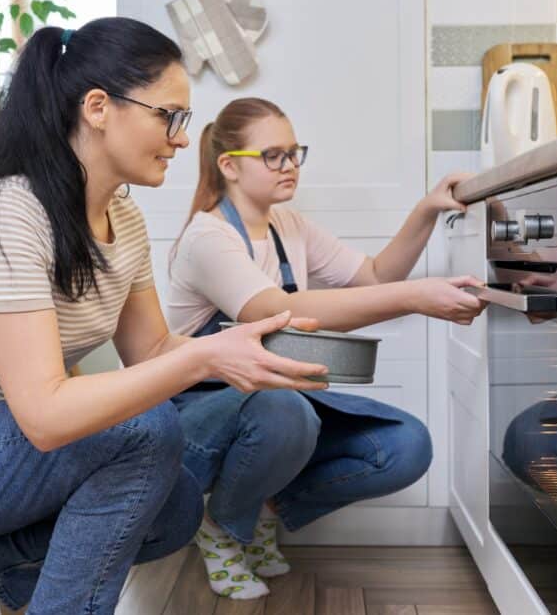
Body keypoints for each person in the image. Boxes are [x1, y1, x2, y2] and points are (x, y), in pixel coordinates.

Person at [0, 20, 329, 615]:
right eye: (169, 116)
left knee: (174, 509)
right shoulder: (12, 209)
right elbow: (47, 416)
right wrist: (204, 357)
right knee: (147, 429)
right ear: (99, 107)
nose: (182, 139)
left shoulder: (123, 220)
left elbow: (151, 350)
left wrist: (239, 351)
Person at [166, 97, 486, 599]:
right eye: (273, 155)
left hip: (276, 397)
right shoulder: (209, 237)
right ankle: (222, 528)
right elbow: (275, 309)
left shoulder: (288, 226)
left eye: (294, 152)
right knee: (285, 408)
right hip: (198, 412)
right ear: (229, 166)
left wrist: (426, 208)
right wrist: (414, 300)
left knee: (405, 446)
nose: (290, 165)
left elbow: (375, 276)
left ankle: (259, 515)